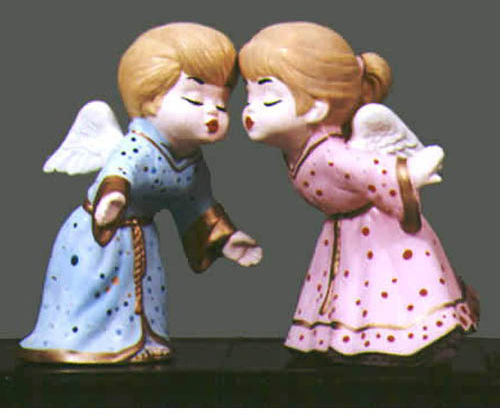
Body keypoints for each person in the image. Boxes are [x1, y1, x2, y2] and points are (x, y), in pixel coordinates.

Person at [19, 22, 262, 364]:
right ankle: (83, 343)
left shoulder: (191, 162)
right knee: (96, 290)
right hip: (99, 235)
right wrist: (113, 198)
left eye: (221, 105)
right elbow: (118, 173)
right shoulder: (137, 146)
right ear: (151, 98)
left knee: (143, 292)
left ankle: (142, 341)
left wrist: (226, 239)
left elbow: (197, 205)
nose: (212, 114)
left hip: (141, 238)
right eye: (195, 99)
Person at [239, 21, 477, 365]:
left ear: (317, 108)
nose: (249, 109)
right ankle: (357, 339)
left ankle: (392, 341)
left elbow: (371, 171)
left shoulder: (329, 153)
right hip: (346, 233)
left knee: (385, 289)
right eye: (249, 96)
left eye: (269, 98)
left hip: (377, 234)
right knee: (356, 290)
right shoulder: (300, 150)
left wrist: (410, 172)